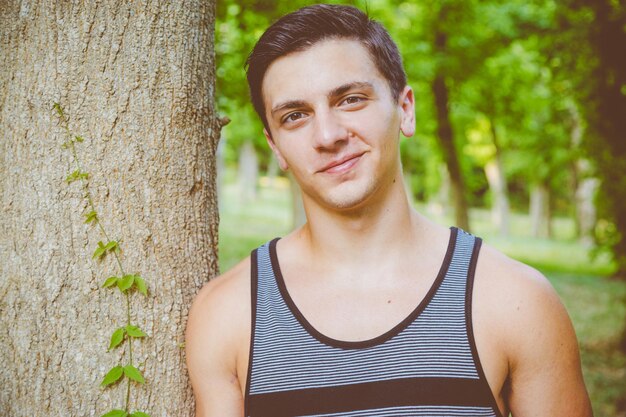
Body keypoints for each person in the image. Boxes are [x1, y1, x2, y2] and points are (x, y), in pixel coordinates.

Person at [185, 4, 593, 417]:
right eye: (295, 116)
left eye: (350, 99)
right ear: (276, 147)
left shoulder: (516, 300)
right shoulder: (229, 313)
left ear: (406, 109)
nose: (327, 135)